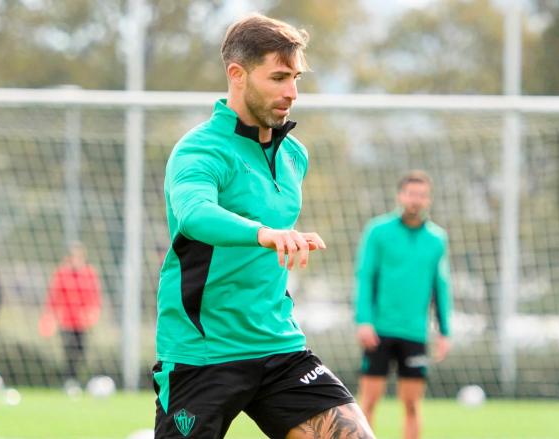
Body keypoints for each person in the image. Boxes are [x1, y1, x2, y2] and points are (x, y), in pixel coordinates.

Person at [153, 13, 374, 439]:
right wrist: (264, 234)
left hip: (278, 346)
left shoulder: (294, 155)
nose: (291, 92)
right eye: (277, 77)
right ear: (237, 74)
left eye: (295, 78)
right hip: (203, 353)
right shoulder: (199, 151)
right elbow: (194, 214)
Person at [353, 170, 452, 439]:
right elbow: (365, 277)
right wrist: (364, 320)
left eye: (421, 195)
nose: (415, 200)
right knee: (368, 403)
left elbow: (440, 287)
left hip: (414, 332)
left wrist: (445, 331)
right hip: (379, 330)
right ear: (400, 196)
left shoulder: (437, 239)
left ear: (428, 199)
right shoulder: (378, 231)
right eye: (411, 194)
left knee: (411, 405)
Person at [39, 242, 101, 390]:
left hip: (82, 323)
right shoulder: (61, 274)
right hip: (66, 321)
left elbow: (95, 298)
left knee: (80, 351)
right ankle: (69, 381)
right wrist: (49, 317)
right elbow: (53, 297)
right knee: (69, 350)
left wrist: (93, 314)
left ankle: (76, 380)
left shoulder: (89, 274)